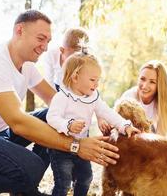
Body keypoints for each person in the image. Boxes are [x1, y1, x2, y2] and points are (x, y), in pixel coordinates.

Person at [0, 10, 119, 196]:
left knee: (49, 116)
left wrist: (96, 108)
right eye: (40, 38)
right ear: (20, 30)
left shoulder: (27, 66)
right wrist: (76, 145)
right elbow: (17, 122)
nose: (44, 47)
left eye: (48, 41)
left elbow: (57, 100)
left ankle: (22, 188)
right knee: (32, 167)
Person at [46, 50, 141, 196]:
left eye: (98, 80)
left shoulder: (93, 98)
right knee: (63, 182)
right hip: (61, 149)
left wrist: (124, 125)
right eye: (92, 80)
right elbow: (51, 117)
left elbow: (107, 112)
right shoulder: (62, 97)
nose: (96, 84)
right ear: (75, 77)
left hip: (83, 146)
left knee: (86, 177)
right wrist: (68, 125)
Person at [99, 60, 167, 136]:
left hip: (150, 138)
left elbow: (161, 137)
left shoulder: (165, 104)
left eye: (152, 82)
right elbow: (115, 121)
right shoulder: (129, 97)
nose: (144, 86)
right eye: (142, 79)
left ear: (160, 85)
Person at [43, 27, 89, 91]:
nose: (74, 61)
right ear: (62, 50)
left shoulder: (83, 58)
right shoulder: (51, 55)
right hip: (56, 85)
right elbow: (49, 80)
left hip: (72, 86)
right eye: (71, 57)